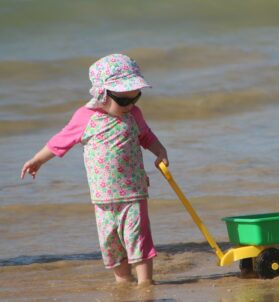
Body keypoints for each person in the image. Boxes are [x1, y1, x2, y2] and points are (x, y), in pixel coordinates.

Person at [20, 54, 168, 286]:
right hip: (102, 197)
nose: (130, 105)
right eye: (123, 100)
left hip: (134, 192)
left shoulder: (134, 114)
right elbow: (61, 141)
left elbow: (146, 136)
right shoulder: (85, 118)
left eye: (135, 97)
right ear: (102, 94)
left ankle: (145, 284)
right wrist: (38, 160)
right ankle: (123, 281)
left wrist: (160, 151)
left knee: (138, 238)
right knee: (111, 243)